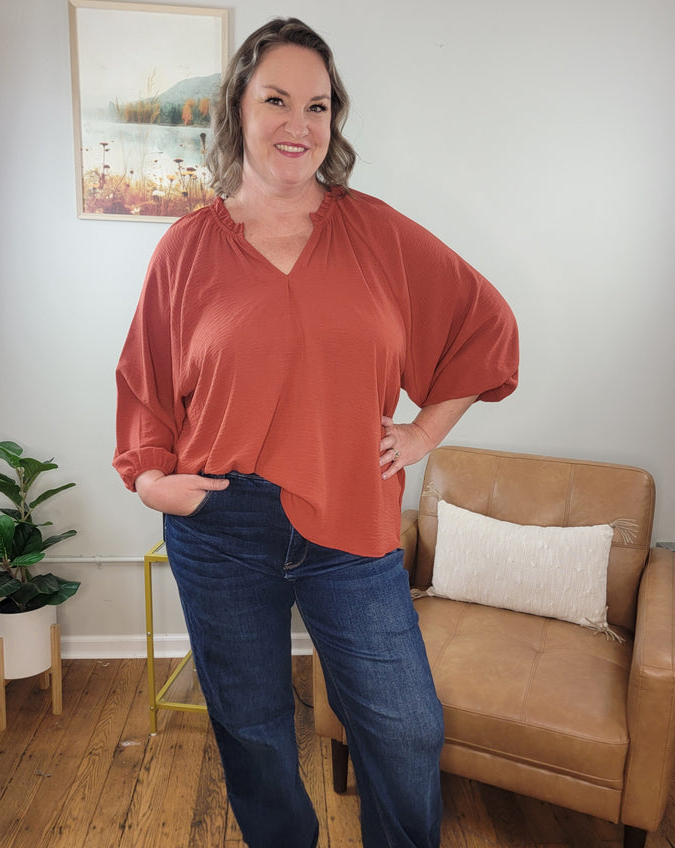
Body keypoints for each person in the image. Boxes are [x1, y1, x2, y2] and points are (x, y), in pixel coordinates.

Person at [114, 17, 518, 848]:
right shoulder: (187, 250)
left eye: (318, 105)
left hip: (352, 518)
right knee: (255, 733)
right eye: (276, 99)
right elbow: (144, 385)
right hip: (221, 527)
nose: (298, 123)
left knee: (406, 731)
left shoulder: (377, 235)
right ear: (238, 106)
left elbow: (485, 326)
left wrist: (422, 435)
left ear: (334, 121)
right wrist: (153, 481)